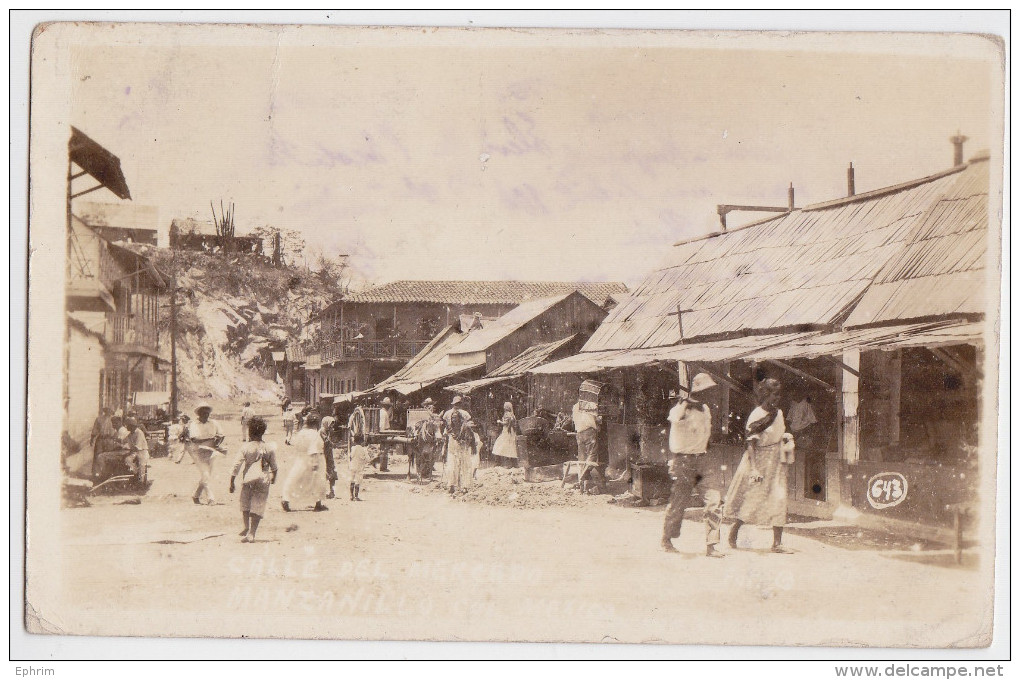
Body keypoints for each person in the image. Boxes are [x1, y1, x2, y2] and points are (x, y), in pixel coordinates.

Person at [725, 378, 796, 554]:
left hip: (777, 461)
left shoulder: (778, 413)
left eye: (779, 394)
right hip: (759, 460)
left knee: (779, 499)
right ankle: (735, 529)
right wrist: (754, 469)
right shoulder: (757, 415)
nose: (777, 398)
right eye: (774, 394)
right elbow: (751, 444)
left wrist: (786, 438)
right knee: (753, 499)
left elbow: (777, 433)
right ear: (765, 394)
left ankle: (777, 543)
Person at [661, 374, 724, 558]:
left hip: (703, 460)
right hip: (683, 461)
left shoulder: (705, 409)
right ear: (699, 391)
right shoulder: (681, 408)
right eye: (709, 391)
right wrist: (685, 403)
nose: (712, 394)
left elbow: (706, 434)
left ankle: (712, 545)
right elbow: (673, 418)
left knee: (714, 500)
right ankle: (666, 539)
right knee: (678, 503)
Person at [229, 416, 279, 543]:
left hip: (248, 479)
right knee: (258, 504)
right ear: (263, 432)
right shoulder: (269, 447)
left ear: (250, 432)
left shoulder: (246, 447)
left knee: (245, 502)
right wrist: (273, 478)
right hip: (263, 478)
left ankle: (246, 526)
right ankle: (252, 533)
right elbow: (274, 467)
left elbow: (237, 465)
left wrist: (232, 481)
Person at [281, 412, 329, 512]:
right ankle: (318, 503)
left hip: (301, 458)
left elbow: (296, 445)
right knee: (318, 481)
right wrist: (315, 463)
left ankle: (286, 498)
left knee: (295, 479)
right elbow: (314, 449)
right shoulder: (314, 434)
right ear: (316, 424)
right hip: (314, 458)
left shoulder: (301, 433)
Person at [185, 402, 226, 505]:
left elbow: (221, 435)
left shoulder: (214, 423)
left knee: (207, 474)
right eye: (203, 413)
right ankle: (210, 498)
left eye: (207, 413)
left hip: (212, 451)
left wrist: (218, 441)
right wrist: (211, 438)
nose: (206, 415)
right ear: (199, 414)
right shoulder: (194, 424)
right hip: (198, 452)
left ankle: (196, 495)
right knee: (205, 473)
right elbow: (195, 439)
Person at [442, 396, 476, 494]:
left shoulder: (462, 414)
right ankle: (453, 485)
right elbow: (446, 428)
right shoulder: (456, 414)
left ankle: (462, 485)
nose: (457, 405)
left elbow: (469, 427)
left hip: (461, 441)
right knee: (454, 464)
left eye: (458, 404)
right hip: (454, 441)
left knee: (461, 463)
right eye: (457, 404)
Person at [572, 399, 605, 494]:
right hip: (589, 432)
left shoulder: (575, 405)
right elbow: (598, 419)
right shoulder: (591, 404)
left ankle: (582, 482)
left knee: (582, 457)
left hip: (579, 433)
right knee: (592, 455)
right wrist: (599, 420)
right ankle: (584, 474)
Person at [319, 410, 338, 499]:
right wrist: (332, 443)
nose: (332, 426)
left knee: (332, 471)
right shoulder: (322, 430)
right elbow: (326, 441)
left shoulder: (328, 431)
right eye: (331, 424)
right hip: (323, 453)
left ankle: (332, 491)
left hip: (329, 454)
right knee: (323, 472)